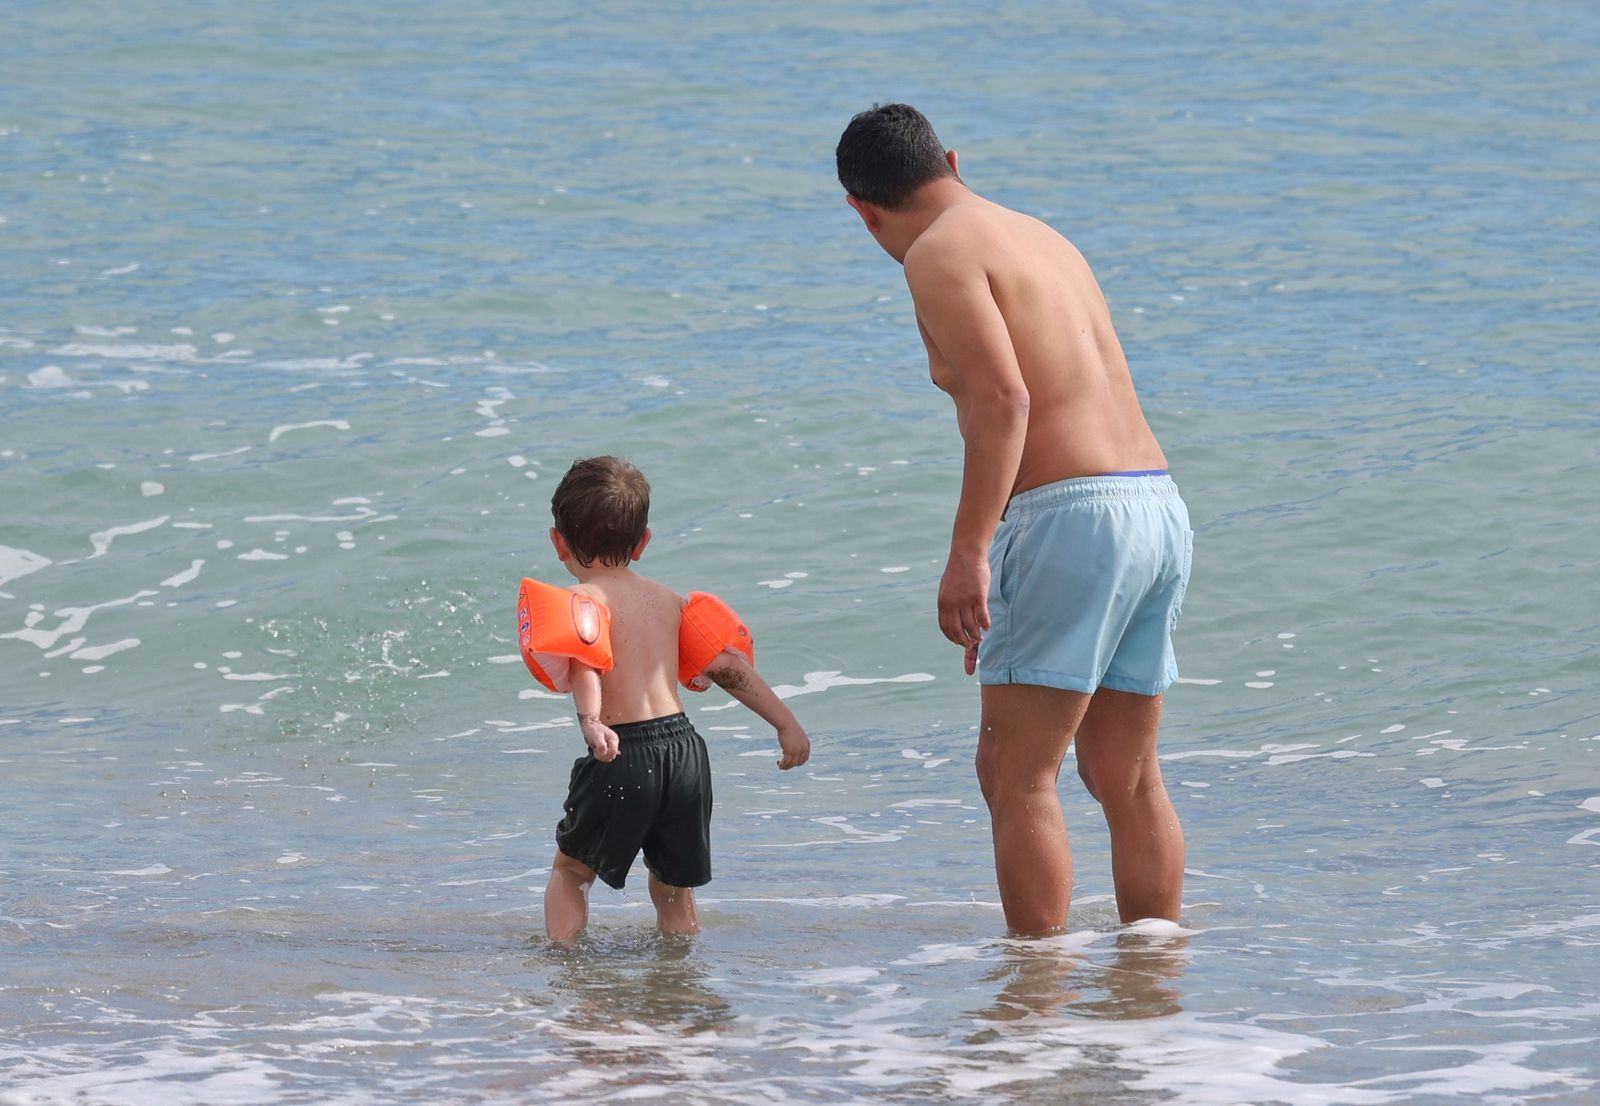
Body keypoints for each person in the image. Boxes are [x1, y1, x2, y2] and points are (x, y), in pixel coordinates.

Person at [836, 104, 1193, 936]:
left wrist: (971, 554)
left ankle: (1036, 1010)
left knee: (1015, 771)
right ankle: (1155, 980)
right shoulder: (1042, 236)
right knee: (1128, 776)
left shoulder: (935, 253)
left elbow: (1004, 400)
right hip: (1153, 503)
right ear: (952, 161)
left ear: (863, 210)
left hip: (1069, 514)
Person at [532, 456, 810, 941]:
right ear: (643, 543)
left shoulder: (587, 603)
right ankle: (679, 976)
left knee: (572, 873)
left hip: (623, 753)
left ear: (557, 542)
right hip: (684, 753)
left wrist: (591, 722)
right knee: (674, 888)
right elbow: (726, 667)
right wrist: (785, 723)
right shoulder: (670, 600)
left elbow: (587, 665)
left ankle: (565, 965)